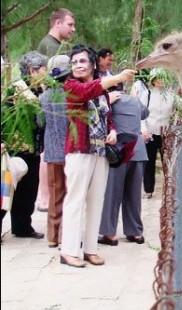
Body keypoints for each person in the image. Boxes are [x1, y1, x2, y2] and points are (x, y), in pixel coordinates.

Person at [60, 45, 136, 268]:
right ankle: (69, 251)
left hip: (100, 152)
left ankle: (90, 249)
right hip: (79, 151)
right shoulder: (71, 86)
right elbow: (88, 92)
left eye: (82, 61)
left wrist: (112, 131)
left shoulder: (101, 91)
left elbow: (107, 116)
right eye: (74, 62)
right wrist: (118, 78)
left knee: (96, 201)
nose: (78, 66)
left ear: (92, 64)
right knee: (75, 200)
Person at [1, 51, 47, 239]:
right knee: (7, 189)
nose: (46, 72)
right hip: (15, 146)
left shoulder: (41, 89)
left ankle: (22, 227)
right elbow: (5, 118)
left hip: (33, 147)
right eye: (44, 69)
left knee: (29, 190)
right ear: (32, 70)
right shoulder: (15, 91)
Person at [98, 91, 149, 246]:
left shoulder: (107, 101)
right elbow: (145, 113)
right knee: (133, 194)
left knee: (112, 194)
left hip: (118, 152)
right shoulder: (134, 100)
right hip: (138, 150)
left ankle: (109, 233)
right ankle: (136, 233)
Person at [40, 54, 71, 247]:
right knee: (70, 195)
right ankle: (64, 236)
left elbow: (39, 122)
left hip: (51, 151)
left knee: (55, 194)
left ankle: (52, 235)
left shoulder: (43, 97)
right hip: (70, 151)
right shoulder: (72, 95)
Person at [130, 68, 176, 199]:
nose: (160, 81)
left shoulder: (172, 95)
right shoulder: (147, 94)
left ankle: (169, 190)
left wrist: (172, 130)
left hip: (166, 134)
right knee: (149, 163)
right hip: (150, 134)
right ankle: (148, 190)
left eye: (163, 78)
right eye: (158, 78)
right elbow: (141, 114)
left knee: (168, 163)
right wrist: (143, 130)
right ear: (153, 80)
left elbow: (176, 114)